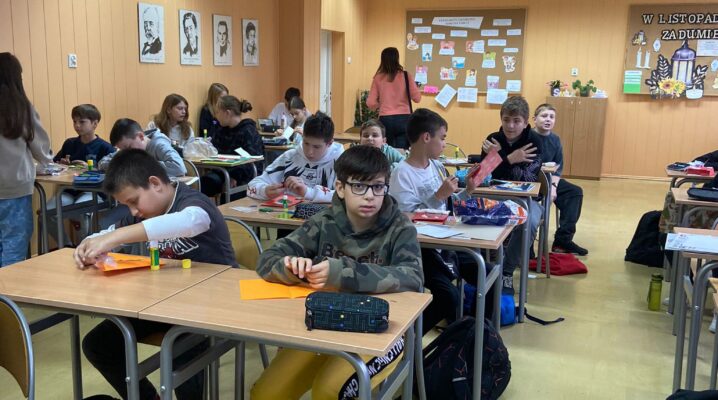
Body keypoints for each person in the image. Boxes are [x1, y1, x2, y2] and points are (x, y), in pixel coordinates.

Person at [251, 145, 422, 400]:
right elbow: (268, 259)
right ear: (340, 188)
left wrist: (343, 274)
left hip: (383, 330)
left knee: (329, 391)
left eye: (378, 187)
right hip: (325, 321)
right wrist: (293, 268)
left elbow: (413, 277)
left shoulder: (400, 228)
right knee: (266, 394)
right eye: (359, 186)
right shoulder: (323, 222)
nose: (370, 196)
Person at [76, 149, 236, 400]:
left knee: (180, 350)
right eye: (127, 205)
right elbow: (105, 235)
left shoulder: (194, 203)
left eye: (133, 201)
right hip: (165, 303)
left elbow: (189, 221)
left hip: (211, 306)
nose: (133, 211)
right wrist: (88, 245)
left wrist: (115, 237)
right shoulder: (146, 212)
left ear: (155, 183)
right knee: (97, 345)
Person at [389, 108, 478, 333]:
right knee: (448, 296)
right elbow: (406, 218)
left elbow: (448, 205)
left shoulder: (437, 167)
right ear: (426, 137)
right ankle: (407, 340)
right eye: (442, 138)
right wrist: (438, 195)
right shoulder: (402, 173)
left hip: (445, 241)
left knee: (485, 270)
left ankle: (473, 334)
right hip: (420, 248)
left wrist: (468, 191)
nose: (444, 144)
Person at [481, 96, 543, 295]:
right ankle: (482, 268)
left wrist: (499, 158)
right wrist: (509, 158)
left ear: (525, 122)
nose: (510, 125)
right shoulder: (493, 139)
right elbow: (483, 175)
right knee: (471, 213)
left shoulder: (534, 141)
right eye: (506, 120)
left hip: (526, 199)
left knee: (529, 222)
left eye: (516, 121)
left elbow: (526, 178)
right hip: (493, 195)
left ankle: (506, 271)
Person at [0, 52, 53, 266]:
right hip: (15, 186)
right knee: (13, 243)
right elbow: (41, 148)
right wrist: (45, 162)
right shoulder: (21, 107)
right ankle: (7, 288)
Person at [49, 104, 115, 245]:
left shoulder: (105, 147)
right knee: (47, 213)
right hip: (69, 190)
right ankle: (66, 246)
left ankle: (83, 247)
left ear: (95, 124)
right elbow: (54, 164)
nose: (77, 125)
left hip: (93, 191)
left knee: (81, 210)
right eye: (74, 122)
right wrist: (62, 165)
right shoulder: (69, 143)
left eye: (82, 122)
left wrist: (92, 168)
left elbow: (112, 174)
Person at [248, 112, 343, 202]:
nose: (309, 152)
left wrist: (307, 192)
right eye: (306, 143)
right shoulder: (289, 157)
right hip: (285, 212)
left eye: (316, 147)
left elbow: (346, 196)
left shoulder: (341, 162)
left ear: (330, 143)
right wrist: (264, 191)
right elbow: (252, 185)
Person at [533, 103, 588, 255]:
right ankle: (527, 244)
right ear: (534, 119)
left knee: (574, 192)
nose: (548, 119)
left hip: (550, 179)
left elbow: (558, 167)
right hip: (531, 179)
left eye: (552, 117)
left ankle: (563, 240)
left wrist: (553, 188)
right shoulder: (528, 137)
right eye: (544, 116)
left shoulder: (555, 139)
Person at [202, 96, 265, 198]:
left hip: (244, 176)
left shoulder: (248, 131)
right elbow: (214, 152)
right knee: (204, 184)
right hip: (222, 172)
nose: (215, 116)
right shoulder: (221, 130)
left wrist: (235, 176)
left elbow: (253, 162)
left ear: (227, 113)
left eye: (217, 112)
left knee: (230, 195)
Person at [367, 47, 421, 150]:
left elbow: (370, 103)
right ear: (397, 58)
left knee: (387, 150)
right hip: (404, 118)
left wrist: (382, 104)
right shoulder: (406, 76)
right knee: (401, 152)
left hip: (385, 119)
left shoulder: (378, 78)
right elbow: (417, 98)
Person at [100, 118, 186, 177]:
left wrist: (141, 165)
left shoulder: (159, 145)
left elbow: (179, 168)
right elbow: (102, 162)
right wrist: (122, 164)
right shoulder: (128, 149)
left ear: (141, 137)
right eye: (123, 150)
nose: (127, 154)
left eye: (129, 147)